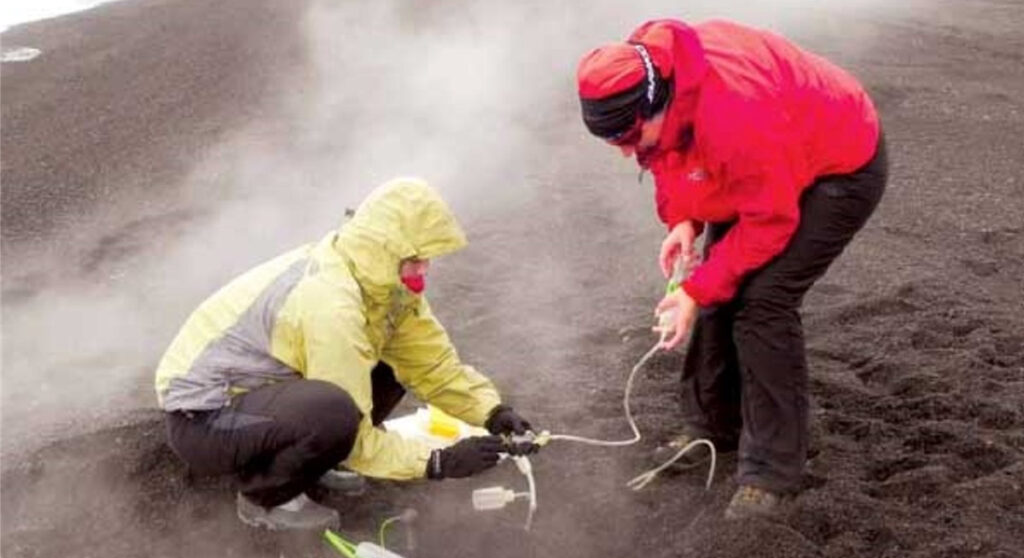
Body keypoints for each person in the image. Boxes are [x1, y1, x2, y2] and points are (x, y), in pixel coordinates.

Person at [576, 19, 887, 519]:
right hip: (775, 159)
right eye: (613, 142)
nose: (626, 152)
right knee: (720, 287)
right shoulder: (653, 82)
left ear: (658, 102)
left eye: (631, 136)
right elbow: (667, 156)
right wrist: (683, 221)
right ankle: (712, 426)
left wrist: (694, 291)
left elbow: (770, 220)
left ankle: (772, 470)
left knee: (763, 302)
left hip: (841, 162)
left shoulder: (733, 115)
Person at [155, 178, 535, 530]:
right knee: (333, 414)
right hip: (203, 420)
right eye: (416, 259)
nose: (424, 269)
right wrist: (437, 462)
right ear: (385, 250)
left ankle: (312, 463)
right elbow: (353, 429)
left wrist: (491, 412)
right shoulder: (330, 304)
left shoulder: (383, 289)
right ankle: (265, 497)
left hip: (263, 398)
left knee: (389, 366)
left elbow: (432, 364)